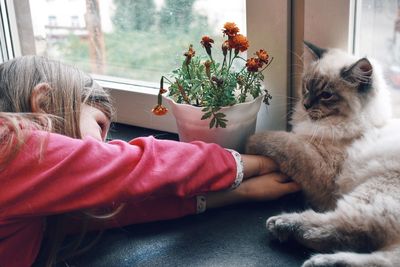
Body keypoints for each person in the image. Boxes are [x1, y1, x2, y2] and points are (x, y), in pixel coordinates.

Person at [0, 55, 301, 267]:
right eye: (99, 126)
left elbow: (106, 210)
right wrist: (255, 163)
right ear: (43, 103)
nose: (104, 145)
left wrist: (237, 194)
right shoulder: (11, 143)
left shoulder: (26, 194)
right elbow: (137, 167)